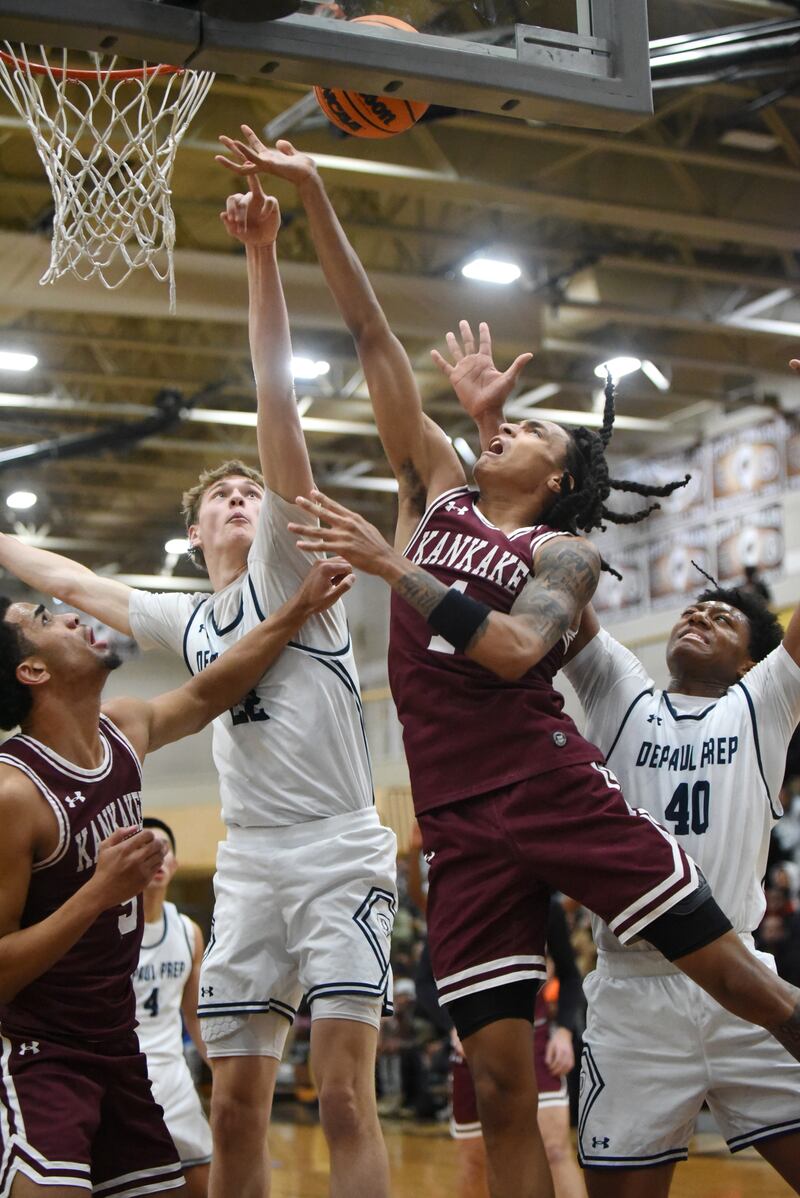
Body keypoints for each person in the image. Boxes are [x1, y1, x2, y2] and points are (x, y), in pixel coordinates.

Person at [216, 130, 800, 1198]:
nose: (501, 423)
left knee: (737, 981)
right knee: (494, 1085)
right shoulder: (434, 483)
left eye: (527, 425)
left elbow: (517, 648)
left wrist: (395, 568)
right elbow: (368, 331)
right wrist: (311, 198)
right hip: (451, 818)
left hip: (544, 782)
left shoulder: (558, 551)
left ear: (560, 470)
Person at [0, 181, 397, 1198]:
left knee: (347, 1094)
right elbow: (68, 579)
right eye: (221, 495)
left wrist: (263, 254)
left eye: (248, 491)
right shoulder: (187, 614)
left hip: (341, 845)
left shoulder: (284, 563)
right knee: (228, 1104)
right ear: (194, 535)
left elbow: (275, 401)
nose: (241, 496)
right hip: (254, 860)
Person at [0, 556, 351, 1197]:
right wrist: (99, 892)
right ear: (33, 671)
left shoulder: (125, 728)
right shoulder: (13, 793)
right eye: (46, 618)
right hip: (41, 1057)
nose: (74, 616)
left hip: (121, 1049)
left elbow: (211, 689)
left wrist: (297, 611)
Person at [559, 594, 800, 1193]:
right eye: (692, 612)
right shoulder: (621, 690)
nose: (698, 619)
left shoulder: (762, 701)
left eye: (722, 620)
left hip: (743, 986)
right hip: (632, 997)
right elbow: (568, 593)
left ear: (750, 662)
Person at [450, 898, 587, 1198]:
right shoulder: (452, 899)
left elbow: (571, 976)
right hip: (473, 1041)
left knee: (555, 1150)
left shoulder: (543, 903)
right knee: (475, 1161)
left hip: (533, 1038)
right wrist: (450, 1024)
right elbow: (425, 982)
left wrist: (564, 1032)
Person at [133, 818, 212, 1198]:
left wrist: (218, 1064)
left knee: (201, 1183)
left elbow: (193, 1013)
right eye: (149, 848)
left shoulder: (187, 931)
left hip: (174, 1074)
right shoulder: (107, 928)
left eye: (165, 849)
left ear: (175, 864)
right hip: (124, 1074)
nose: (158, 856)